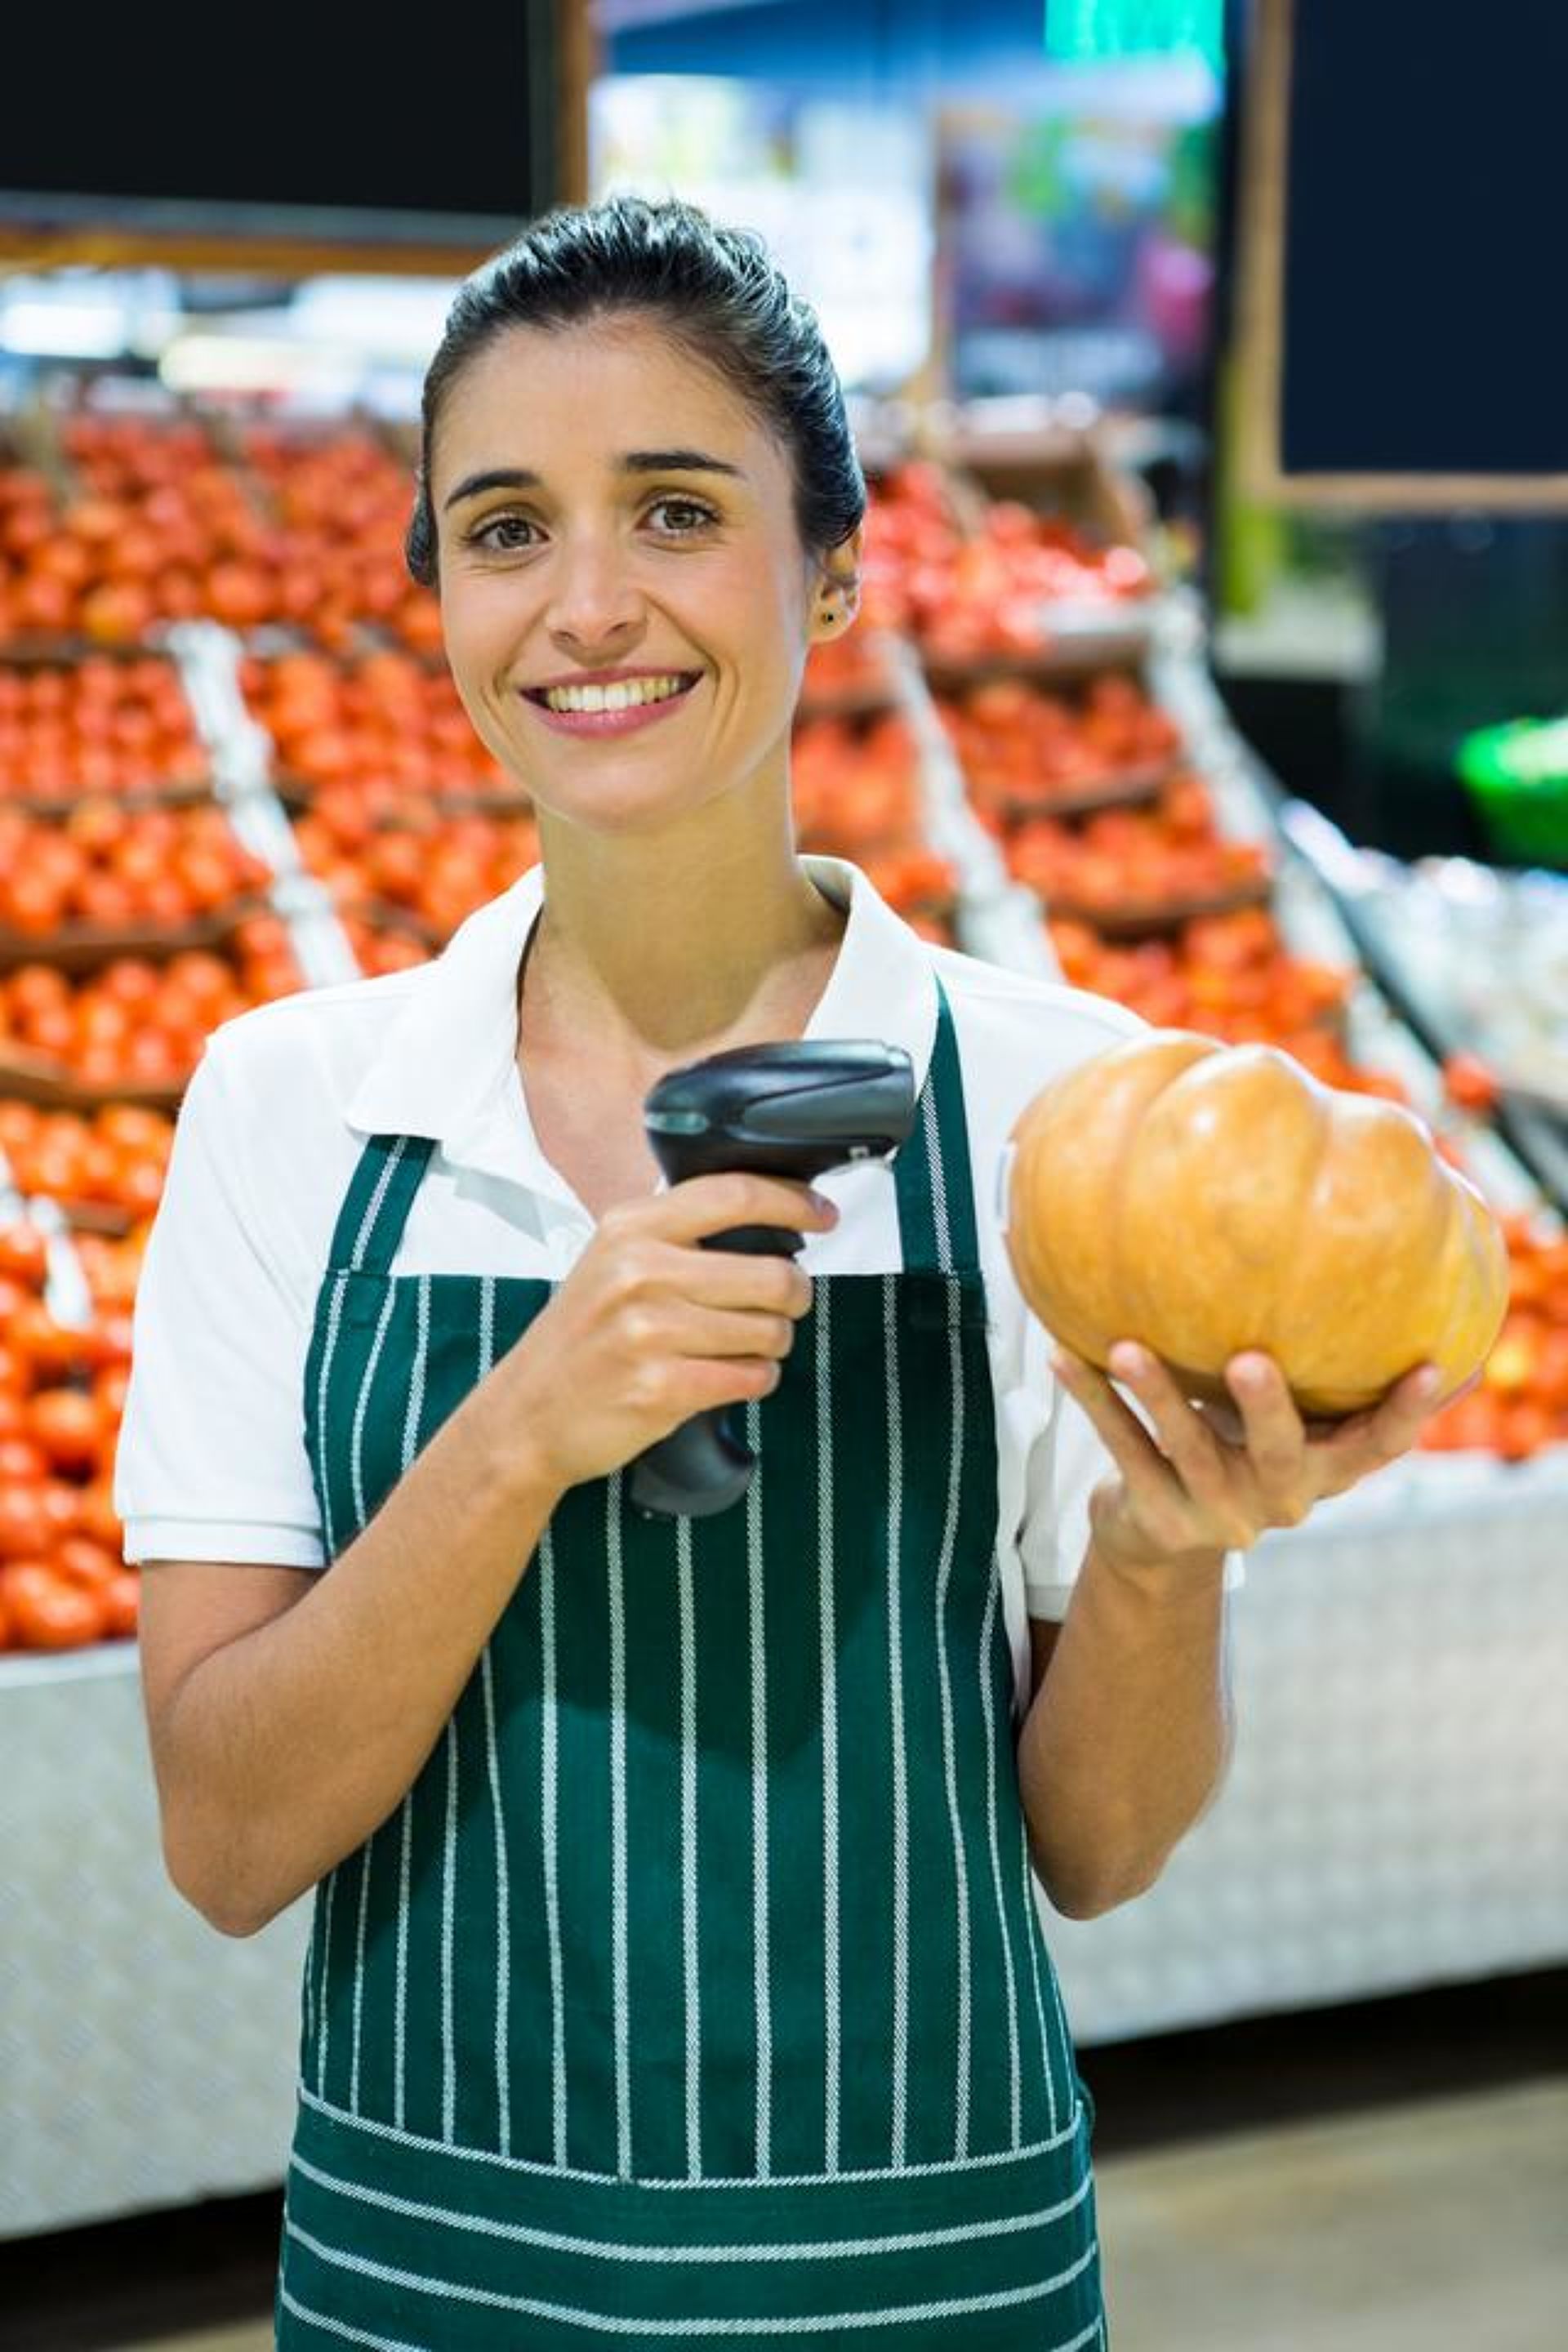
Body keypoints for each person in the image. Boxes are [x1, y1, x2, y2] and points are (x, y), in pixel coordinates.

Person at [118, 194, 1446, 2349]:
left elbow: (1096, 1850)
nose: (591, 606)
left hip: (927, 2280)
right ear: (439, 594)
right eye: (506, 528)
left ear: (832, 566)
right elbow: (228, 1836)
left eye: (673, 510)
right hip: (444, 2284)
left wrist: (1163, 1554)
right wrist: (526, 1431)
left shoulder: (1065, 1117)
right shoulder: (295, 1104)